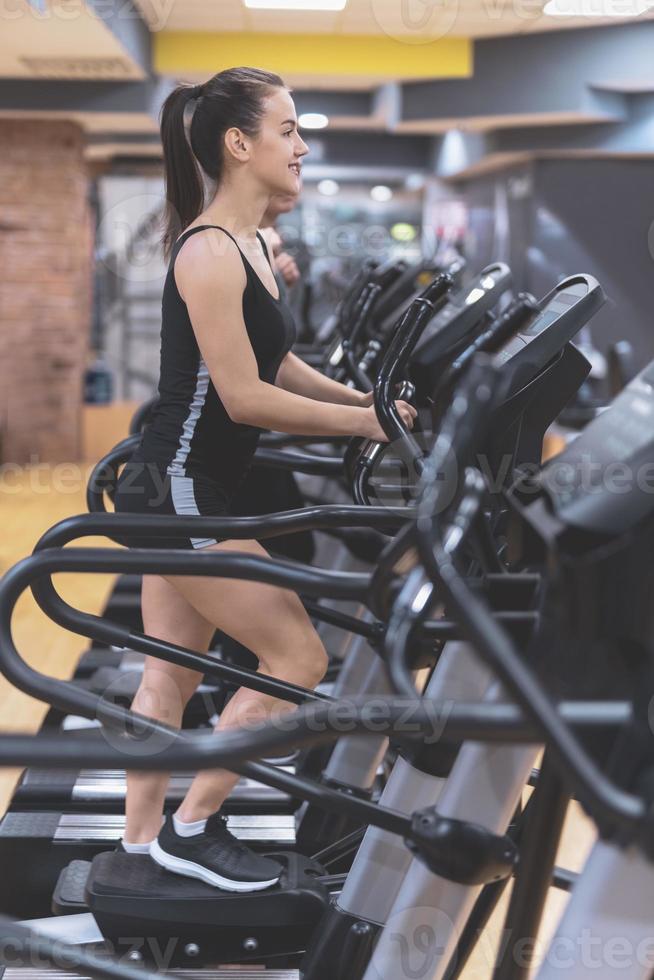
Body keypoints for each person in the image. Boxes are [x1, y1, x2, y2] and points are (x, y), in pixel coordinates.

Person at [113, 66, 416, 893]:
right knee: (298, 654)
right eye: (287, 129)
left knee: (171, 671)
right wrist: (361, 425)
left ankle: (141, 849)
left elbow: (277, 361)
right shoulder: (209, 251)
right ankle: (194, 826)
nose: (302, 143)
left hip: (177, 485)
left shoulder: (246, 246)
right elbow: (245, 398)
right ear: (239, 145)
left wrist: (363, 400)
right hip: (180, 488)